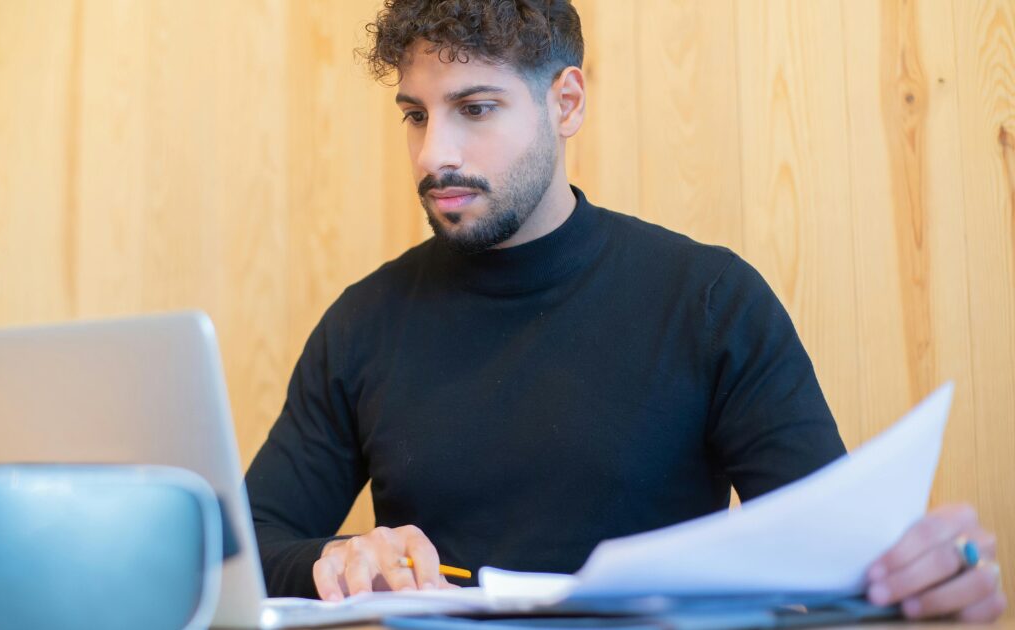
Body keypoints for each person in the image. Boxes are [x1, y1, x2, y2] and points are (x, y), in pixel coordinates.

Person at [244, 0, 1005, 621]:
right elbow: (243, 547)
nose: (432, 155)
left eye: (475, 108)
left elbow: (835, 566)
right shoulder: (363, 323)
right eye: (416, 114)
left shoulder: (709, 302)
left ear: (566, 102)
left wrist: (925, 576)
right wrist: (329, 561)